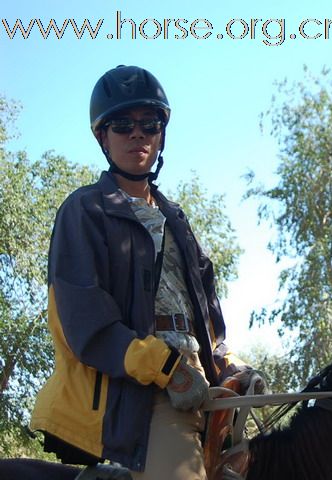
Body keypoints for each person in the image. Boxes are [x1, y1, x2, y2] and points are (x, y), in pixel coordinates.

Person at [30, 65, 253, 480]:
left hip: (200, 382)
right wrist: (164, 368)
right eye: (122, 125)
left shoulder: (177, 220)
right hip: (143, 396)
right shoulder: (85, 210)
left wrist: (229, 363)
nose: (137, 134)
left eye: (149, 124)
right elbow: (85, 325)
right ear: (103, 137)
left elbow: (207, 318)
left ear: (160, 134)